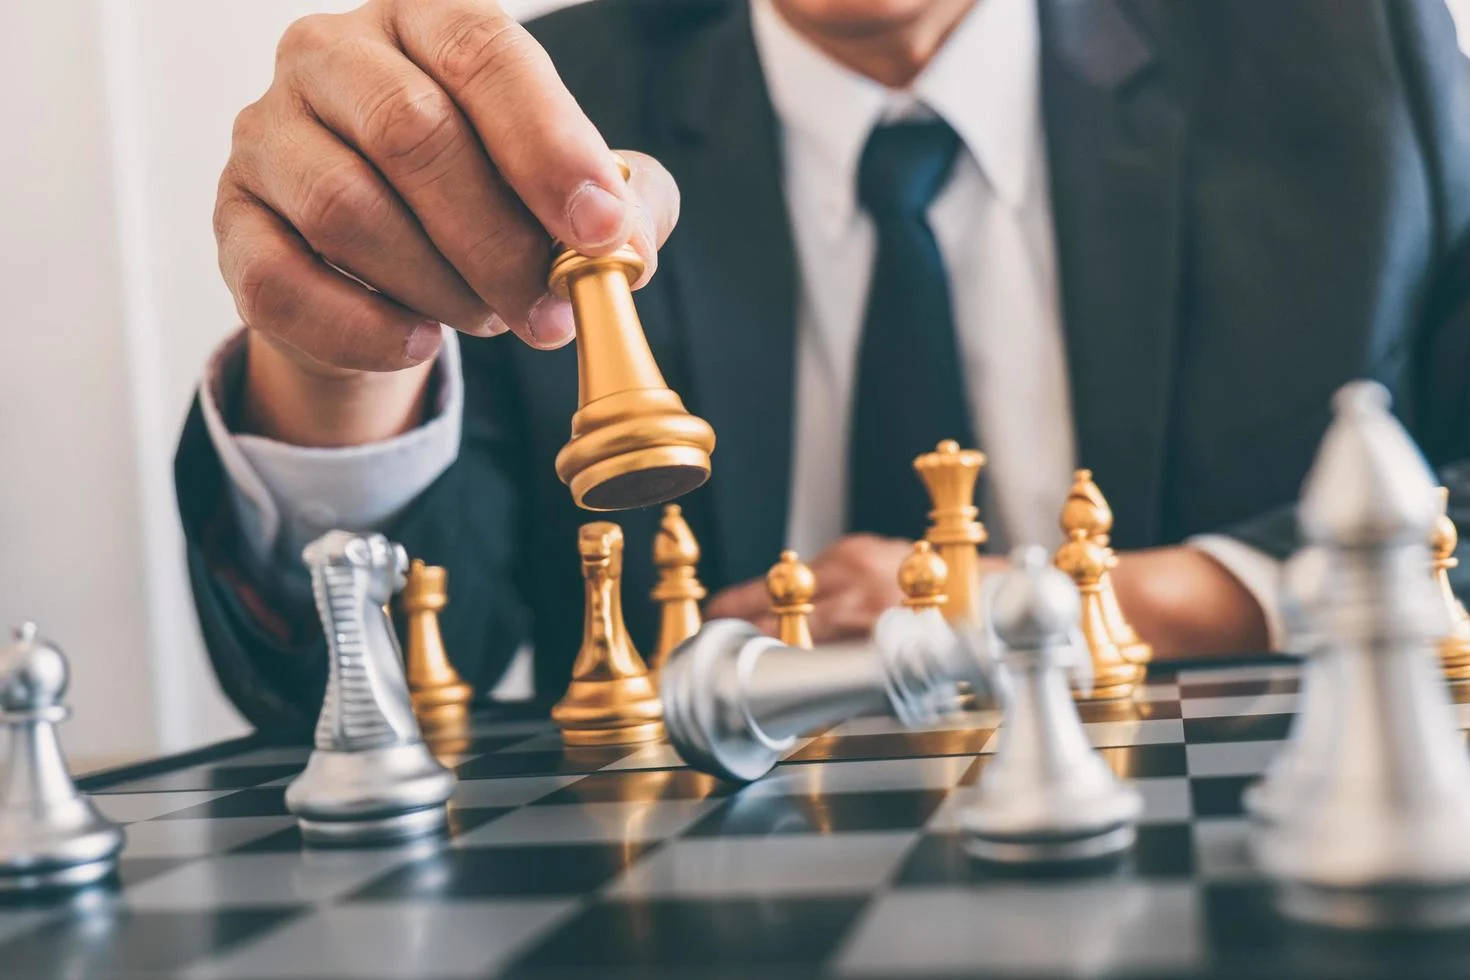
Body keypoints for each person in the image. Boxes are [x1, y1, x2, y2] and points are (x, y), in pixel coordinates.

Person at [177, 0, 1470, 733]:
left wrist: (1106, 606)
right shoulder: (526, 120)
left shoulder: (1350, 53)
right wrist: (340, 358)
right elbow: (358, 691)